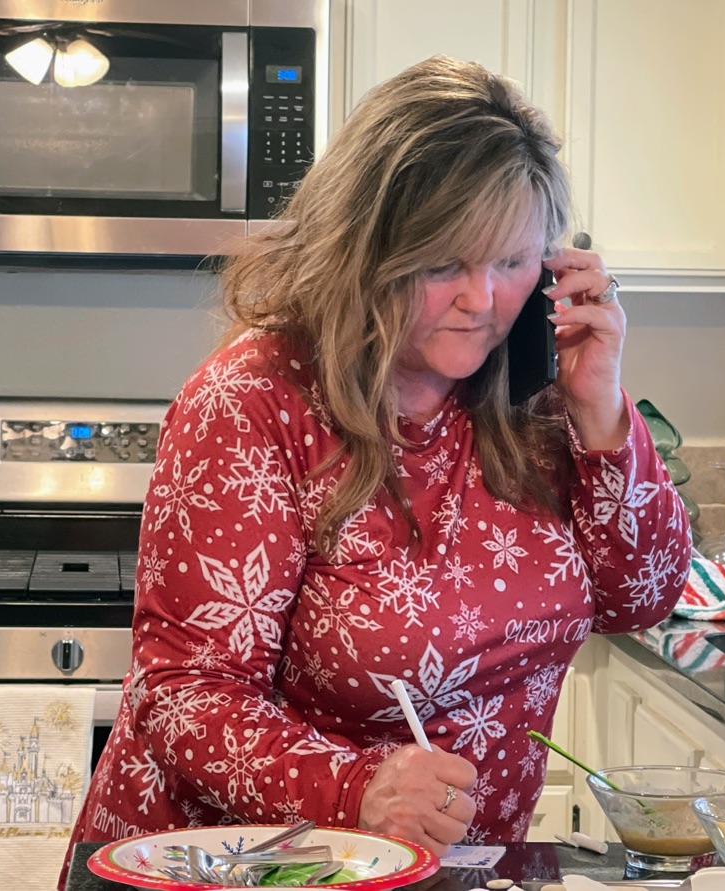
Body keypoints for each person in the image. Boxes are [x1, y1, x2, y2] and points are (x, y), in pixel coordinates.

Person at [61, 54, 691, 882]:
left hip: (453, 866)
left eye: (510, 262)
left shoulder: (538, 398)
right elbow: (184, 695)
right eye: (443, 264)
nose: (481, 300)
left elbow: (638, 597)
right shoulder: (254, 402)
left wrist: (601, 407)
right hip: (228, 865)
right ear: (366, 251)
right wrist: (356, 788)